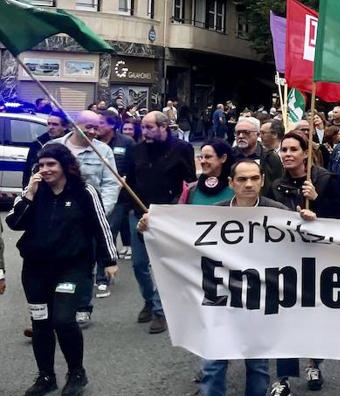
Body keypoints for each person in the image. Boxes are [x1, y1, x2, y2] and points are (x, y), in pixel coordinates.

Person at [181, 157, 290, 396]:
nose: (249, 184)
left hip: (260, 304)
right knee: (213, 370)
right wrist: (153, 227)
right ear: (231, 183)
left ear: (262, 181)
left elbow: (304, 248)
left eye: (254, 178)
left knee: (257, 368)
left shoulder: (278, 213)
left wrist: (309, 221)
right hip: (223, 304)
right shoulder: (215, 216)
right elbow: (184, 243)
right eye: (242, 179)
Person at [7, 143, 118, 396]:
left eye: (51, 165)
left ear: (65, 166)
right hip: (35, 269)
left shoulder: (84, 191)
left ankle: (76, 373)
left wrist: (109, 259)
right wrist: (29, 195)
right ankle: (46, 376)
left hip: (72, 267)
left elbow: (101, 226)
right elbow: (14, 222)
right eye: (41, 165)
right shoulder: (34, 192)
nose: (45, 170)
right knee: (41, 322)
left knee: (63, 320)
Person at [265, 131, 340, 396]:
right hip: (285, 260)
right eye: (283, 150)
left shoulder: (324, 180)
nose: (287, 154)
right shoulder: (275, 185)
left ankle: (313, 361)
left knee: (313, 315)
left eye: (292, 150)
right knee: (284, 318)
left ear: (305, 154)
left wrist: (318, 201)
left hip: (317, 259)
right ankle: (283, 380)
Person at [125, 111, 196, 334]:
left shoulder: (182, 149)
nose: (144, 132)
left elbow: (190, 183)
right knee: (138, 264)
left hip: (168, 214)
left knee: (164, 265)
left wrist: (179, 207)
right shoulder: (135, 150)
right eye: (142, 127)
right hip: (139, 213)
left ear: (164, 127)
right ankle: (148, 298)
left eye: (149, 127)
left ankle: (159, 310)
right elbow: (129, 182)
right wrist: (133, 209)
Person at [52, 110, 119, 325]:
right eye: (87, 127)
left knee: (85, 264)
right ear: (73, 125)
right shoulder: (54, 148)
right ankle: (55, 306)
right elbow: (40, 176)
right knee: (53, 262)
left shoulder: (103, 151)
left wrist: (101, 210)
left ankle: (82, 306)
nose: (92, 131)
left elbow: (111, 183)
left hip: (87, 219)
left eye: (96, 127)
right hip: (57, 219)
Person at [231, 116, 283, 191]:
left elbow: (277, 185)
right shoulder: (229, 155)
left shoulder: (270, 157)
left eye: (246, 132)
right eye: (238, 133)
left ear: (258, 134)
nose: (241, 136)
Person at [180, 141, 235, 205]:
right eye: (201, 157)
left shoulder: (237, 189)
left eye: (208, 157)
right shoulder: (190, 190)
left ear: (223, 158)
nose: (202, 161)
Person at [23, 109, 68, 187]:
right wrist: (27, 189)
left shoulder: (71, 143)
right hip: (43, 188)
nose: (50, 127)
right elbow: (29, 170)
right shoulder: (38, 144)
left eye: (55, 124)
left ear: (64, 127)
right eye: (49, 124)